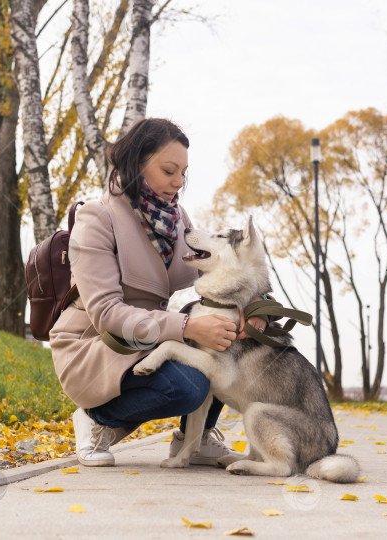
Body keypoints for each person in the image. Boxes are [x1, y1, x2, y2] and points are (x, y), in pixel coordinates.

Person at [48, 118, 268, 467]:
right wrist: (185, 328)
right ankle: (96, 421)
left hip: (148, 339)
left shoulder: (176, 218)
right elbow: (106, 313)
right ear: (137, 163)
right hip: (97, 346)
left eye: (183, 172)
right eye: (169, 170)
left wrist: (256, 309)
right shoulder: (97, 218)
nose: (179, 182)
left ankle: (193, 438)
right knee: (186, 387)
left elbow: (226, 267)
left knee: (228, 337)